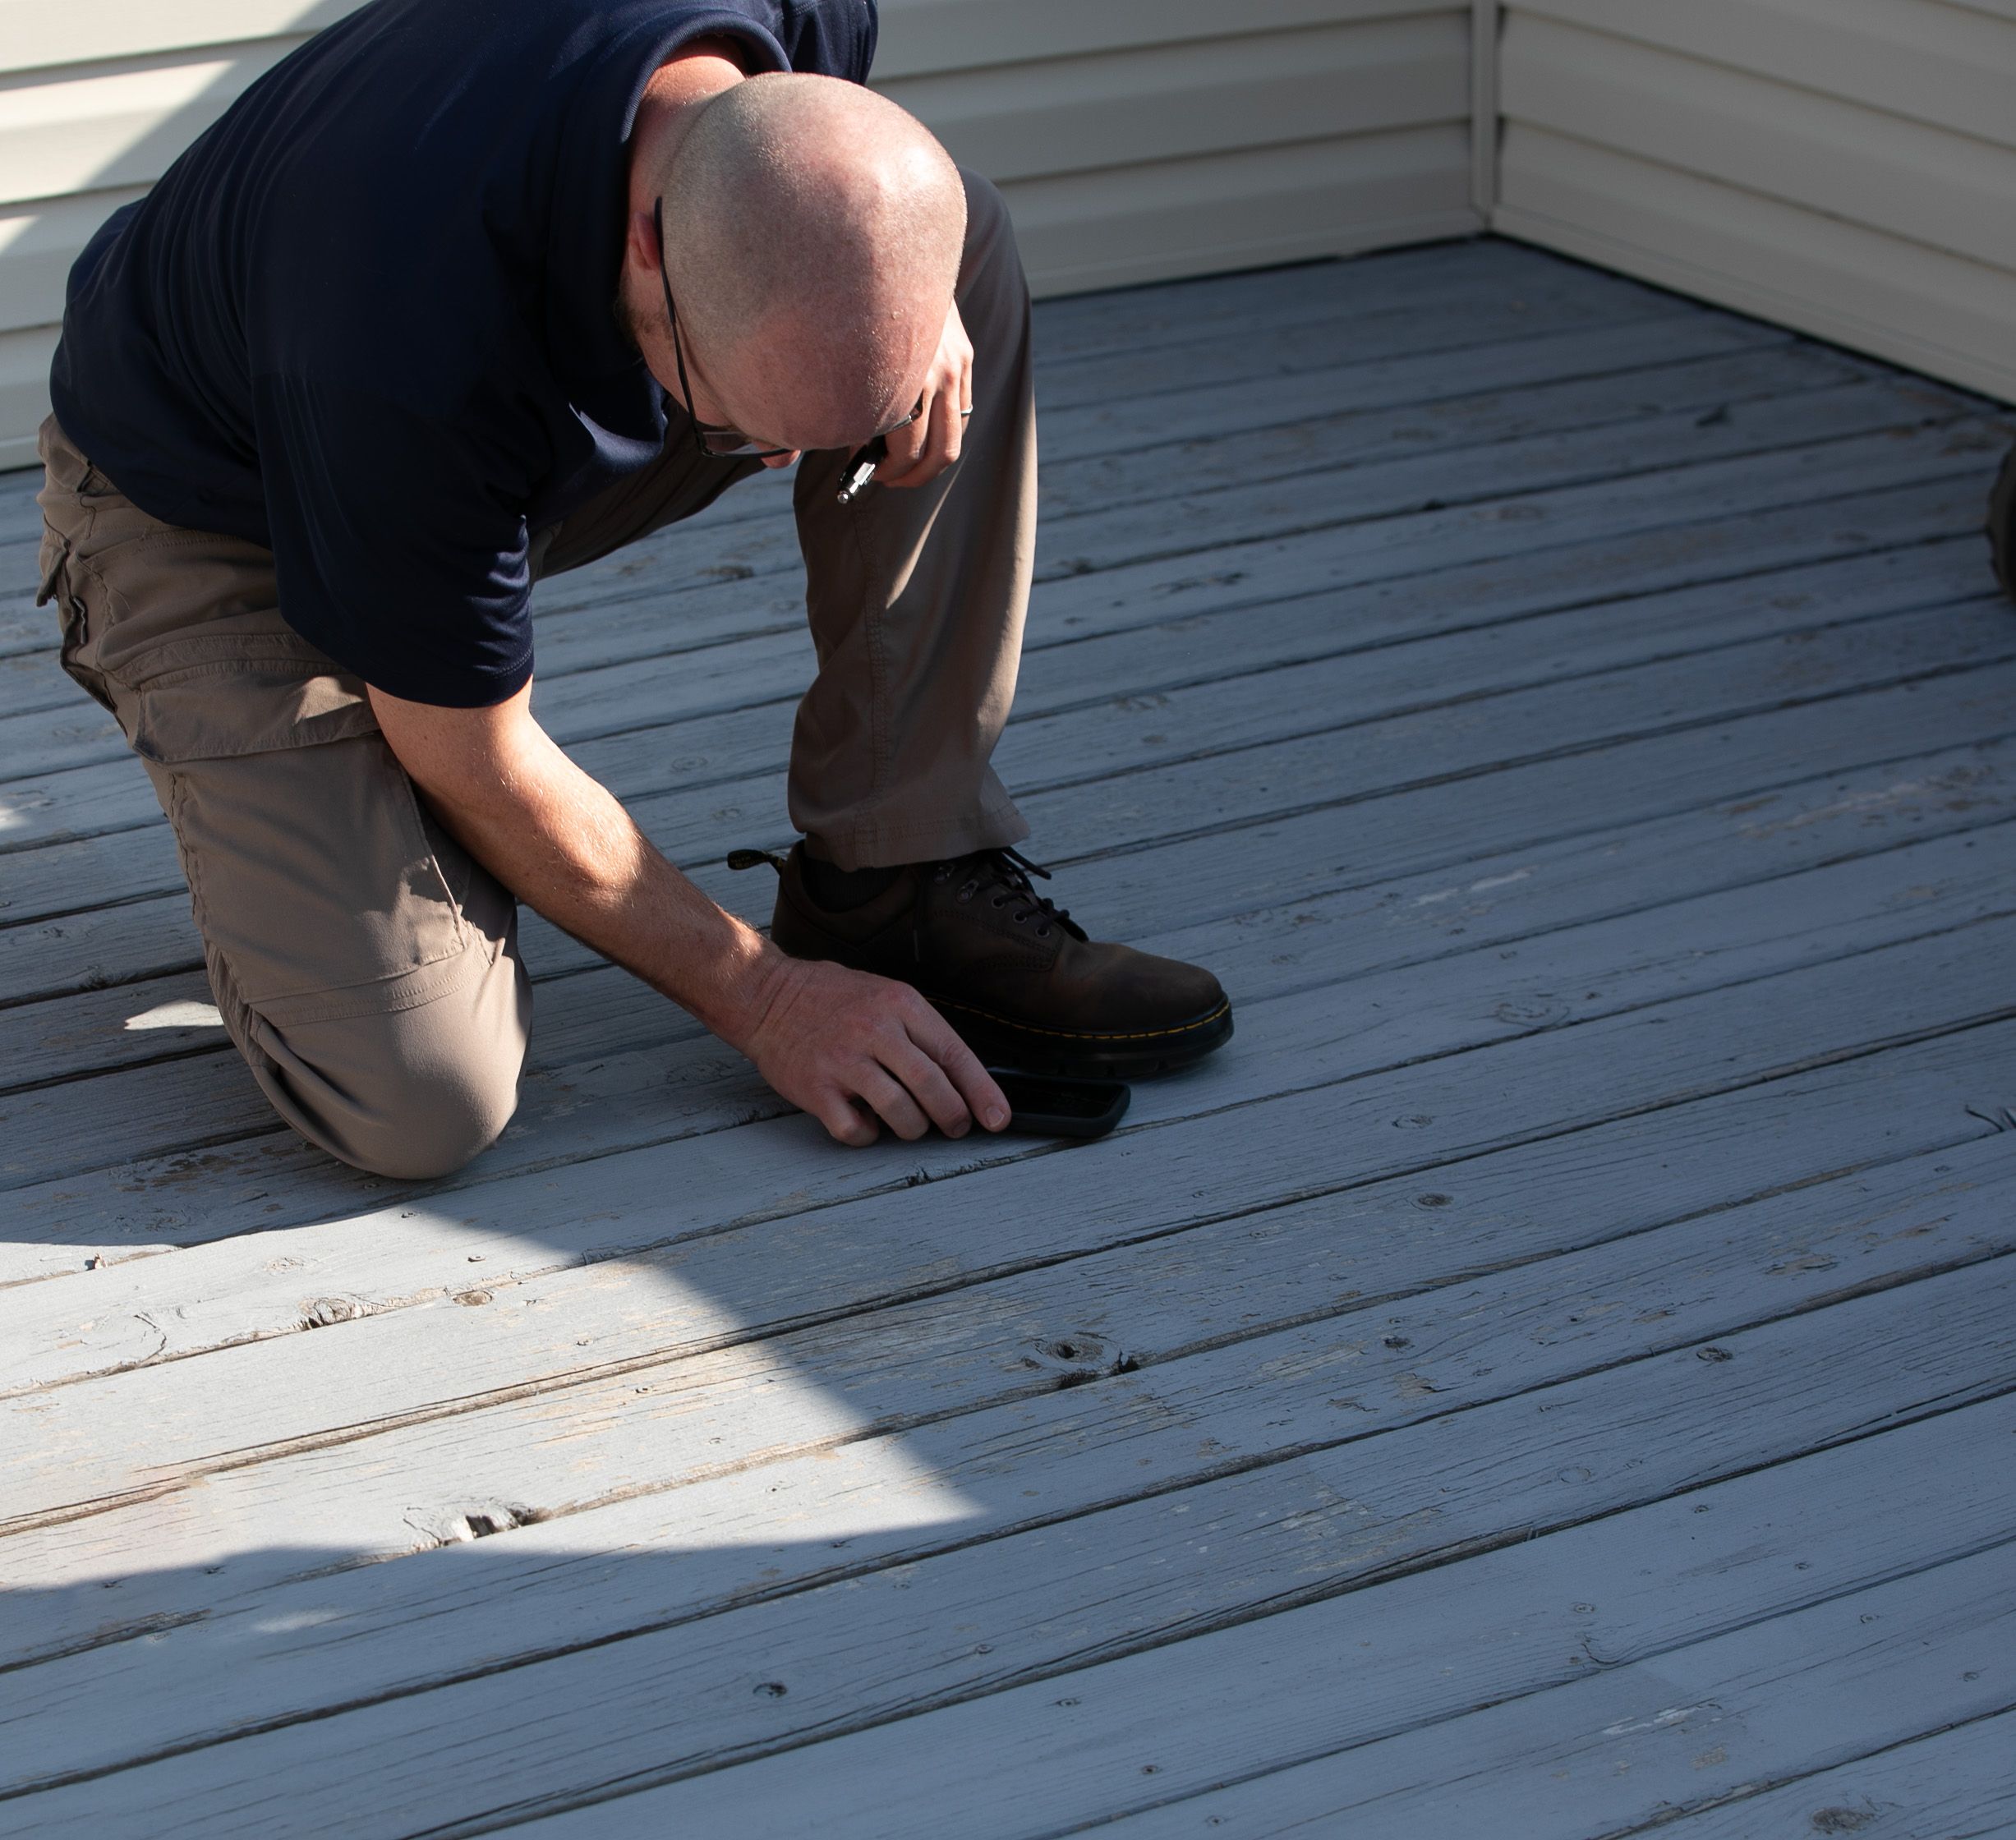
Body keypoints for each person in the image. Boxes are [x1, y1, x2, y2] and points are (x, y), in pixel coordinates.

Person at [35, 0, 1231, 1182]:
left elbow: (859, 198)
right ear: (650, 241)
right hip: (215, 515)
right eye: (737, 434)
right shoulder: (399, 323)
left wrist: (915, 313)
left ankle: (895, 866)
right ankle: (329, 766)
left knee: (958, 229)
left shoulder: (797, 27)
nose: (780, 473)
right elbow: (478, 758)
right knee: (420, 1099)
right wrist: (763, 996)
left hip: (474, 432)